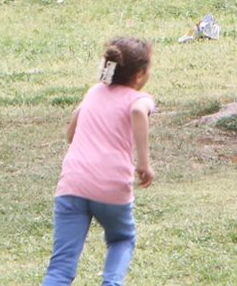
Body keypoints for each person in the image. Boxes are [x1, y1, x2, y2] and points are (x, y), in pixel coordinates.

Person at [41, 38, 156, 286]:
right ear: (139, 75)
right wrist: (144, 163)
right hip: (111, 186)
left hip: (73, 184)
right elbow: (138, 112)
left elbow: (70, 135)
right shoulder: (140, 98)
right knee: (121, 239)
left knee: (60, 268)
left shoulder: (93, 92)